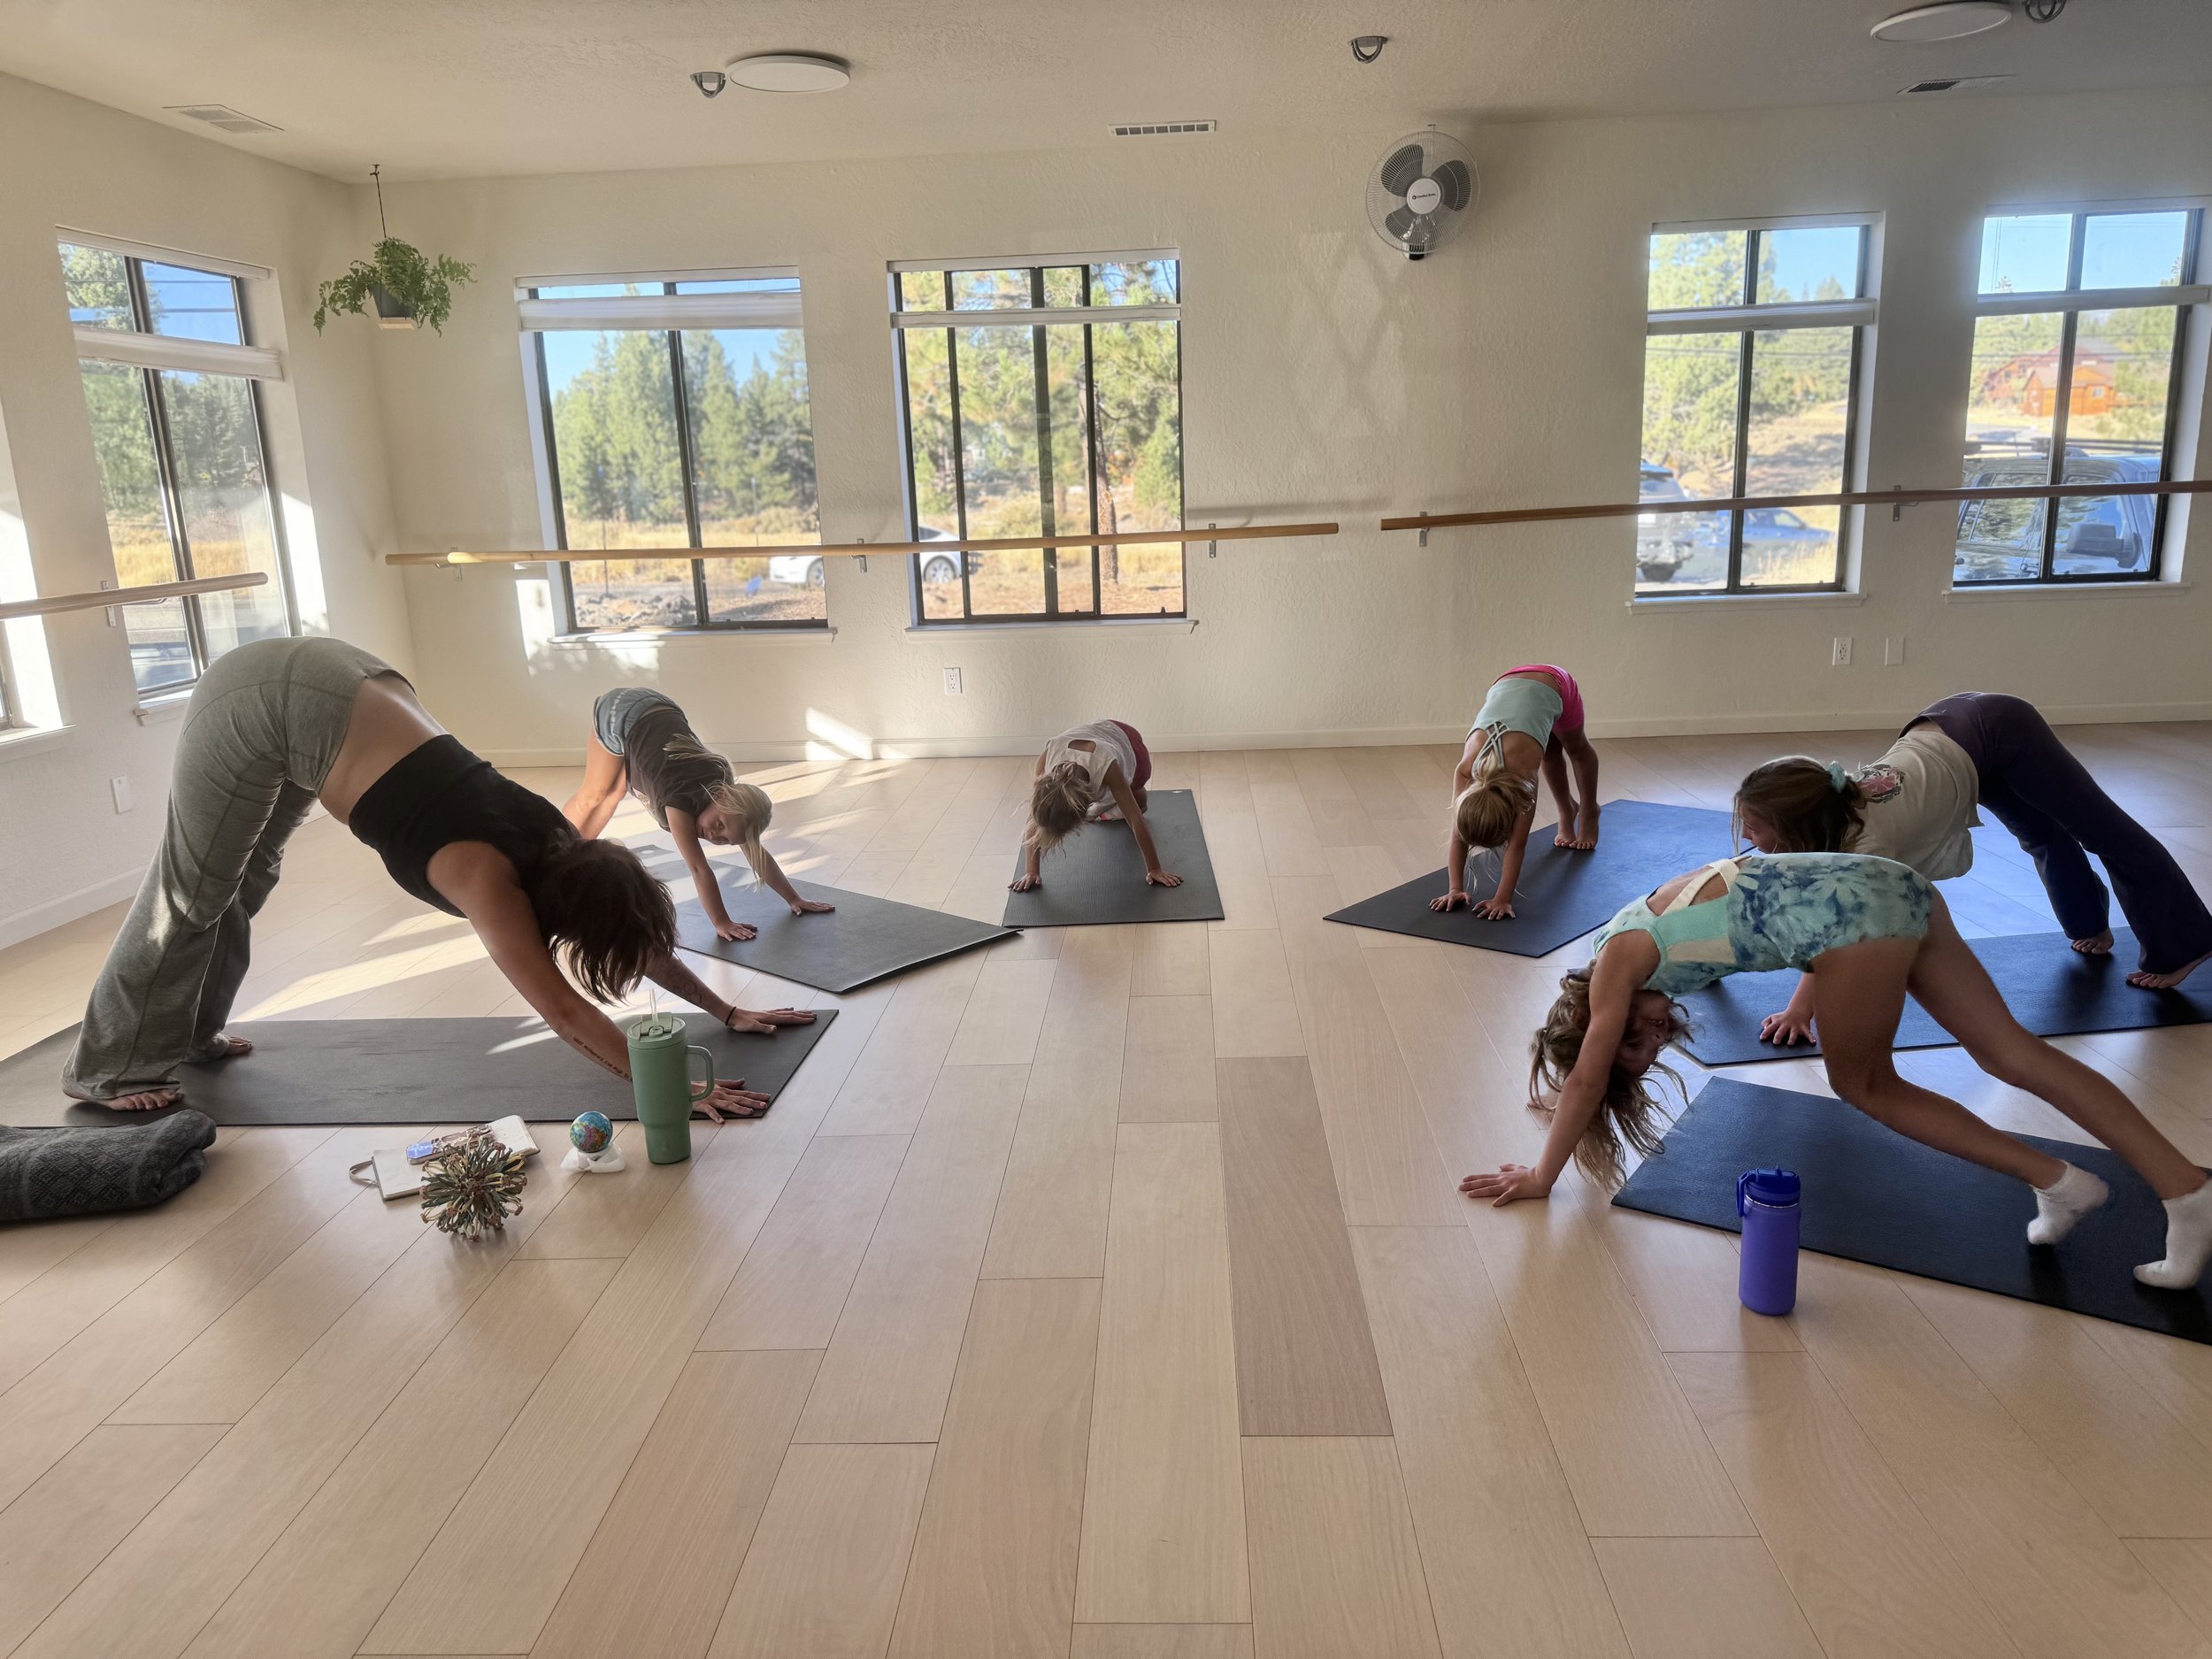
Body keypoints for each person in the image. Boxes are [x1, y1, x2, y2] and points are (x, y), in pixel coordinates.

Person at [65, 639, 810, 1118]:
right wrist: (677, 1090)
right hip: (262, 703)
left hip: (345, 686)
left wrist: (724, 1009)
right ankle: (103, 1067)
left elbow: (633, 936)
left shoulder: (562, 845)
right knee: (191, 891)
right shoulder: (486, 878)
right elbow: (567, 1015)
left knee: (244, 876)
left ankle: (194, 1033)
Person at [1457, 849, 2212, 1288]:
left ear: (1597, 1019)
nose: (1649, 1043)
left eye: (1630, 1040)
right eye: (1646, 1053)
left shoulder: (1615, 965)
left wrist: (1541, 1175)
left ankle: (2061, 1180)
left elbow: (1587, 1079)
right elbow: (1746, 907)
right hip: (1893, 885)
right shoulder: (1637, 940)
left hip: (1853, 919)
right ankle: (2186, 1189)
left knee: (1862, 1082)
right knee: (2008, 1050)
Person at [1736, 691, 2212, 1044]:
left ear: (1796, 826)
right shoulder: (1826, 814)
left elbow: (1835, 934)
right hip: (1954, 737)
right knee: (2040, 833)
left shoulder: (1866, 846)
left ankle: (2184, 942)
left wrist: (1800, 1010)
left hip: (1999, 727)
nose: (1745, 838)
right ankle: (2091, 924)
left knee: (2102, 829)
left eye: (1754, 828)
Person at [563, 687, 833, 942]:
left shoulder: (724, 798)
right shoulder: (678, 802)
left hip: (660, 710)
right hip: (622, 713)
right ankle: (555, 853)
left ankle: (570, 858)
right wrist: (721, 922)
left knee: (615, 792)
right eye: (719, 825)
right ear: (720, 794)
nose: (714, 835)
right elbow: (698, 868)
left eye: (726, 840)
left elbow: (757, 853)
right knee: (596, 795)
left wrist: (794, 899)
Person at [1433, 664, 1600, 919]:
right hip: (1507, 683)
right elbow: (1458, 837)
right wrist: (1455, 889)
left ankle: (1589, 811)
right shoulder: (1465, 772)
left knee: (1575, 748)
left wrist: (1502, 899)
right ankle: (1567, 810)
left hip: (1554, 684)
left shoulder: (1524, 783)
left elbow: (1517, 846)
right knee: (1549, 752)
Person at [1010, 718, 1181, 893]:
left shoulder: (1106, 765)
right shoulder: (1047, 760)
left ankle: (1123, 796)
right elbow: (1034, 820)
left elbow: (1135, 819)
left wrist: (1154, 869)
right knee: (1112, 796)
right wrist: (1031, 872)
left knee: (1137, 800)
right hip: (1096, 739)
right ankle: (1109, 802)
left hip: (1128, 741)